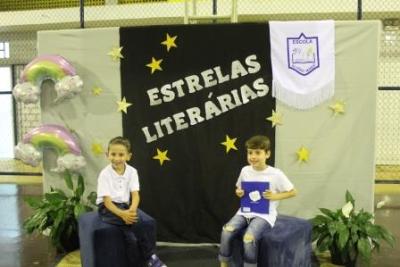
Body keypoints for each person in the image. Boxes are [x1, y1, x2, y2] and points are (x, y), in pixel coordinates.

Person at [218, 135, 297, 267]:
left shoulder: (276, 174)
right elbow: (239, 188)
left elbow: (293, 192)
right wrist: (239, 192)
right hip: (244, 212)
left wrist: (275, 197)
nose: (253, 156)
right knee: (227, 230)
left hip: (264, 215)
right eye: (250, 153)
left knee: (249, 238)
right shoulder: (245, 170)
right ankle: (224, 262)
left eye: (258, 153)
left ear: (267, 154)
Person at [96, 136, 167, 267]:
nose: (117, 158)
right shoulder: (104, 174)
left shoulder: (132, 172)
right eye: (113, 154)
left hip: (125, 206)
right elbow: (107, 202)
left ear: (128, 156)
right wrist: (123, 214)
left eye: (121, 155)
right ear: (107, 155)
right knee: (136, 221)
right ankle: (151, 256)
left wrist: (132, 210)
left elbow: (135, 195)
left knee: (132, 239)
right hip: (107, 209)